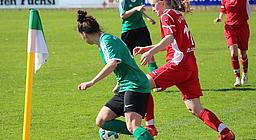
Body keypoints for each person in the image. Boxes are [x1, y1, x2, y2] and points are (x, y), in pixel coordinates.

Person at [133, 0, 235, 139]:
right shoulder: (176, 14)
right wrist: (147, 48)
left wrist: (151, 53)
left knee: (141, 83)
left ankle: (150, 126)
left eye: (153, 5)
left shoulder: (166, 15)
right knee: (195, 108)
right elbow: (173, 42)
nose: (152, 9)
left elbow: (169, 39)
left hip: (178, 64)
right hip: (190, 64)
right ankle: (225, 132)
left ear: (162, 2)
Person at [76, 10, 154, 140]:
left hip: (135, 85)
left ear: (84, 34)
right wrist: (119, 83)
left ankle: (141, 133)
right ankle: (142, 134)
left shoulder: (107, 41)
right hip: (125, 85)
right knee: (102, 120)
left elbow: (113, 63)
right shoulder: (104, 42)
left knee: (133, 126)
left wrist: (92, 82)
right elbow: (125, 61)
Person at [119, 0, 159, 136]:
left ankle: (156, 81)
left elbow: (140, 11)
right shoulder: (124, 1)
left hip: (141, 29)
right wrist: (135, 9)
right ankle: (124, 82)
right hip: (128, 31)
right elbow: (123, 15)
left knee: (150, 55)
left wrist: (149, 19)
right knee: (127, 59)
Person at [214, 0, 250, 87]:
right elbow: (223, 8)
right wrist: (220, 17)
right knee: (233, 52)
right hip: (230, 28)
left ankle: (245, 74)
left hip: (243, 27)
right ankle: (237, 78)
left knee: (243, 53)